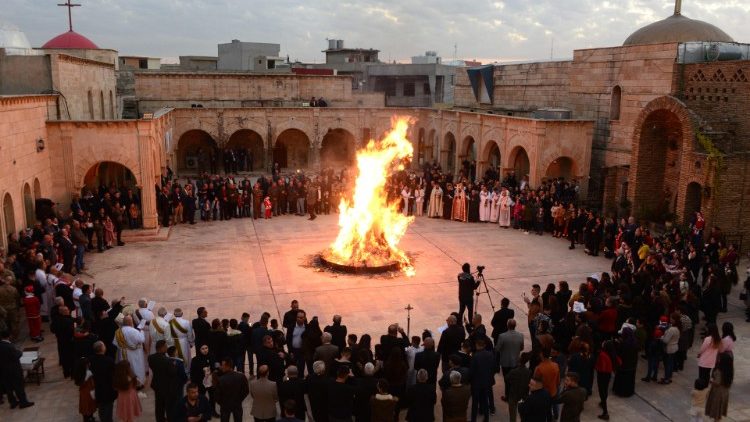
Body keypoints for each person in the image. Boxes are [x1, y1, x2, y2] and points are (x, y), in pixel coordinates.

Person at [0, 329, 34, 409]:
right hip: (14, 370)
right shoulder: (9, 346)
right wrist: (20, 352)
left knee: (9, 388)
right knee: (19, 386)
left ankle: (13, 403)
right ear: (9, 336)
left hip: (3, 371)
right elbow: (16, 355)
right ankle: (23, 402)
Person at [149, 340, 179, 422]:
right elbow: (173, 373)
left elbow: (153, 367)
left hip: (157, 384)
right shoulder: (167, 361)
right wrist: (175, 365)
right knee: (169, 407)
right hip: (167, 387)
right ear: (161, 348)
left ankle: (160, 419)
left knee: (159, 405)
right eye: (165, 346)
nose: (166, 348)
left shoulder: (151, 358)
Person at [113, 315, 147, 386]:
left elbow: (115, 343)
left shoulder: (118, 332)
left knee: (126, 369)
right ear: (130, 322)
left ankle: (127, 383)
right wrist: (141, 331)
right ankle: (138, 383)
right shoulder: (134, 331)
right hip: (135, 354)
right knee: (136, 367)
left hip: (123, 354)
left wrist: (124, 347)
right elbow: (142, 339)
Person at [495, 319, 524, 400]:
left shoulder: (502, 336)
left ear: (507, 326)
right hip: (516, 361)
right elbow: (522, 348)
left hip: (505, 362)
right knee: (514, 379)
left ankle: (508, 396)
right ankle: (515, 395)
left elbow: (497, 349)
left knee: (507, 379)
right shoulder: (520, 335)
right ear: (515, 326)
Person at [90, 341, 116, 422]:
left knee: (101, 407)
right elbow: (113, 375)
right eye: (104, 345)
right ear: (102, 349)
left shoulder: (91, 360)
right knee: (108, 408)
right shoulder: (109, 360)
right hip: (108, 388)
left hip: (98, 387)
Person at [470, 337, 495, 422]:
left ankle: (473, 419)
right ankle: (486, 419)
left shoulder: (475, 356)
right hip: (487, 381)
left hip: (477, 383)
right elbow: (493, 367)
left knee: (475, 402)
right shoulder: (490, 354)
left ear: (477, 345)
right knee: (485, 401)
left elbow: (472, 371)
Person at [705, 352, 733, 421]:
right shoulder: (730, 370)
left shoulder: (719, 371)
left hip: (717, 393)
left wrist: (711, 381)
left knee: (716, 409)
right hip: (725, 392)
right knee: (720, 409)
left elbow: (717, 382)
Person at [73, 357, 97, 422]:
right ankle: (89, 419)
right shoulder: (88, 373)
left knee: (87, 407)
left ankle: (88, 418)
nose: (89, 364)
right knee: (88, 407)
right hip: (87, 392)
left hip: (85, 392)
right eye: (88, 363)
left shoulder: (80, 373)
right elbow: (90, 383)